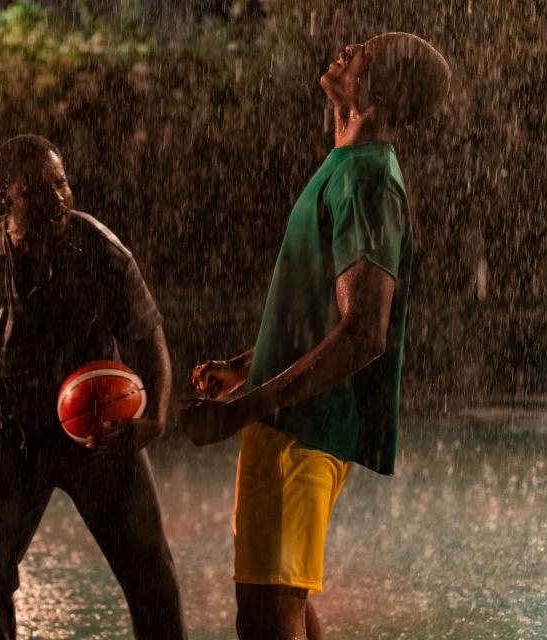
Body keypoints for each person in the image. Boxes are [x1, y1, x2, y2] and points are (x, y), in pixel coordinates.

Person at [180, 33, 451, 640]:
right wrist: (247, 366)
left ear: (379, 91)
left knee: (270, 617)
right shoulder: (346, 166)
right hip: (288, 425)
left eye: (365, 53)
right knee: (279, 610)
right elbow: (323, 319)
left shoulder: (369, 182)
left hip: (306, 431)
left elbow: (364, 336)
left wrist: (238, 411)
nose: (348, 47)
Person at [0, 134, 187, 639]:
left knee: (150, 570)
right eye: (38, 189)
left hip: (100, 429)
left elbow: (151, 339)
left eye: (62, 183)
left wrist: (156, 418)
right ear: (4, 195)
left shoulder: (102, 251)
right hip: (17, 429)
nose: (58, 198)